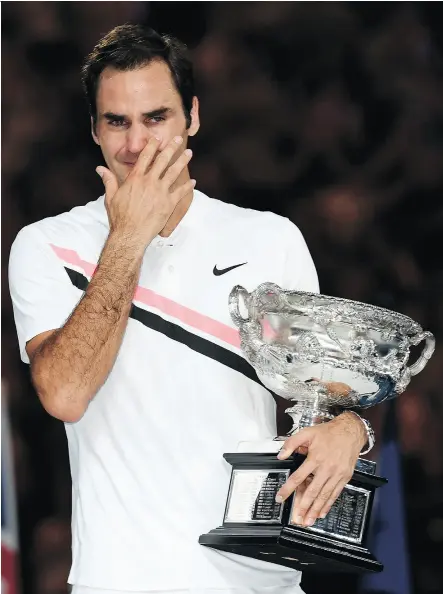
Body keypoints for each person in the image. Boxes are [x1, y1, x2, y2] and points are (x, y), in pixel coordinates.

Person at [9, 24, 372, 594]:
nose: (136, 145)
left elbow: (321, 403)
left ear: (192, 117)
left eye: (156, 118)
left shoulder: (270, 239)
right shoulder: (45, 245)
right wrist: (128, 237)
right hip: (119, 579)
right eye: (117, 122)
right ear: (94, 130)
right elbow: (65, 393)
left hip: (258, 583)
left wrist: (351, 429)